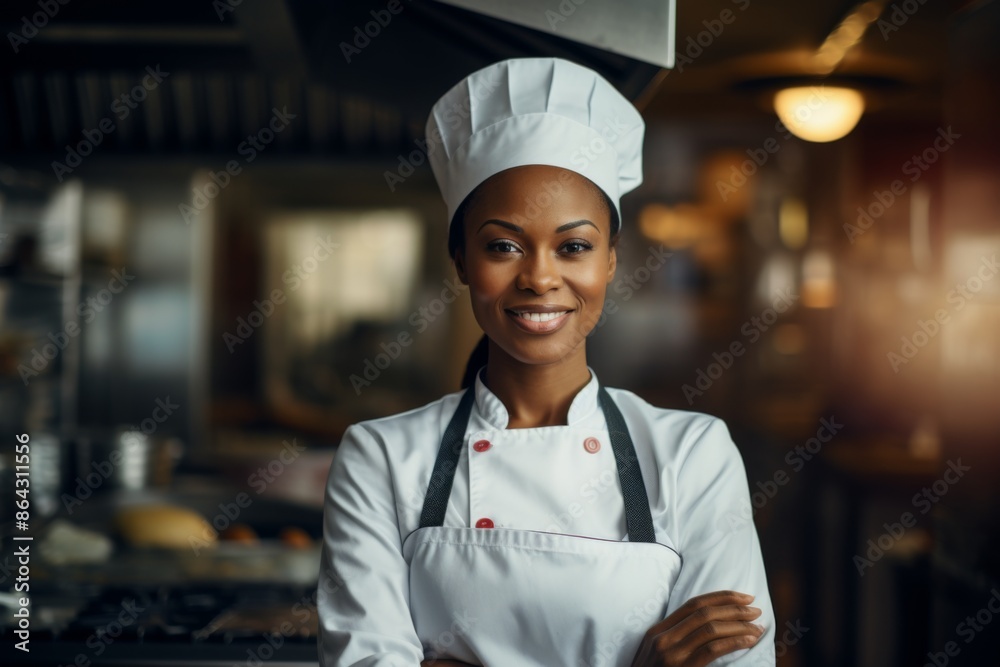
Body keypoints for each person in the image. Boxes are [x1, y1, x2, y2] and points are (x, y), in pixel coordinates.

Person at [318, 57, 776, 667]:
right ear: (461, 260)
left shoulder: (692, 455)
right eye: (503, 245)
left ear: (611, 260)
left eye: (574, 246)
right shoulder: (381, 458)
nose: (539, 277)